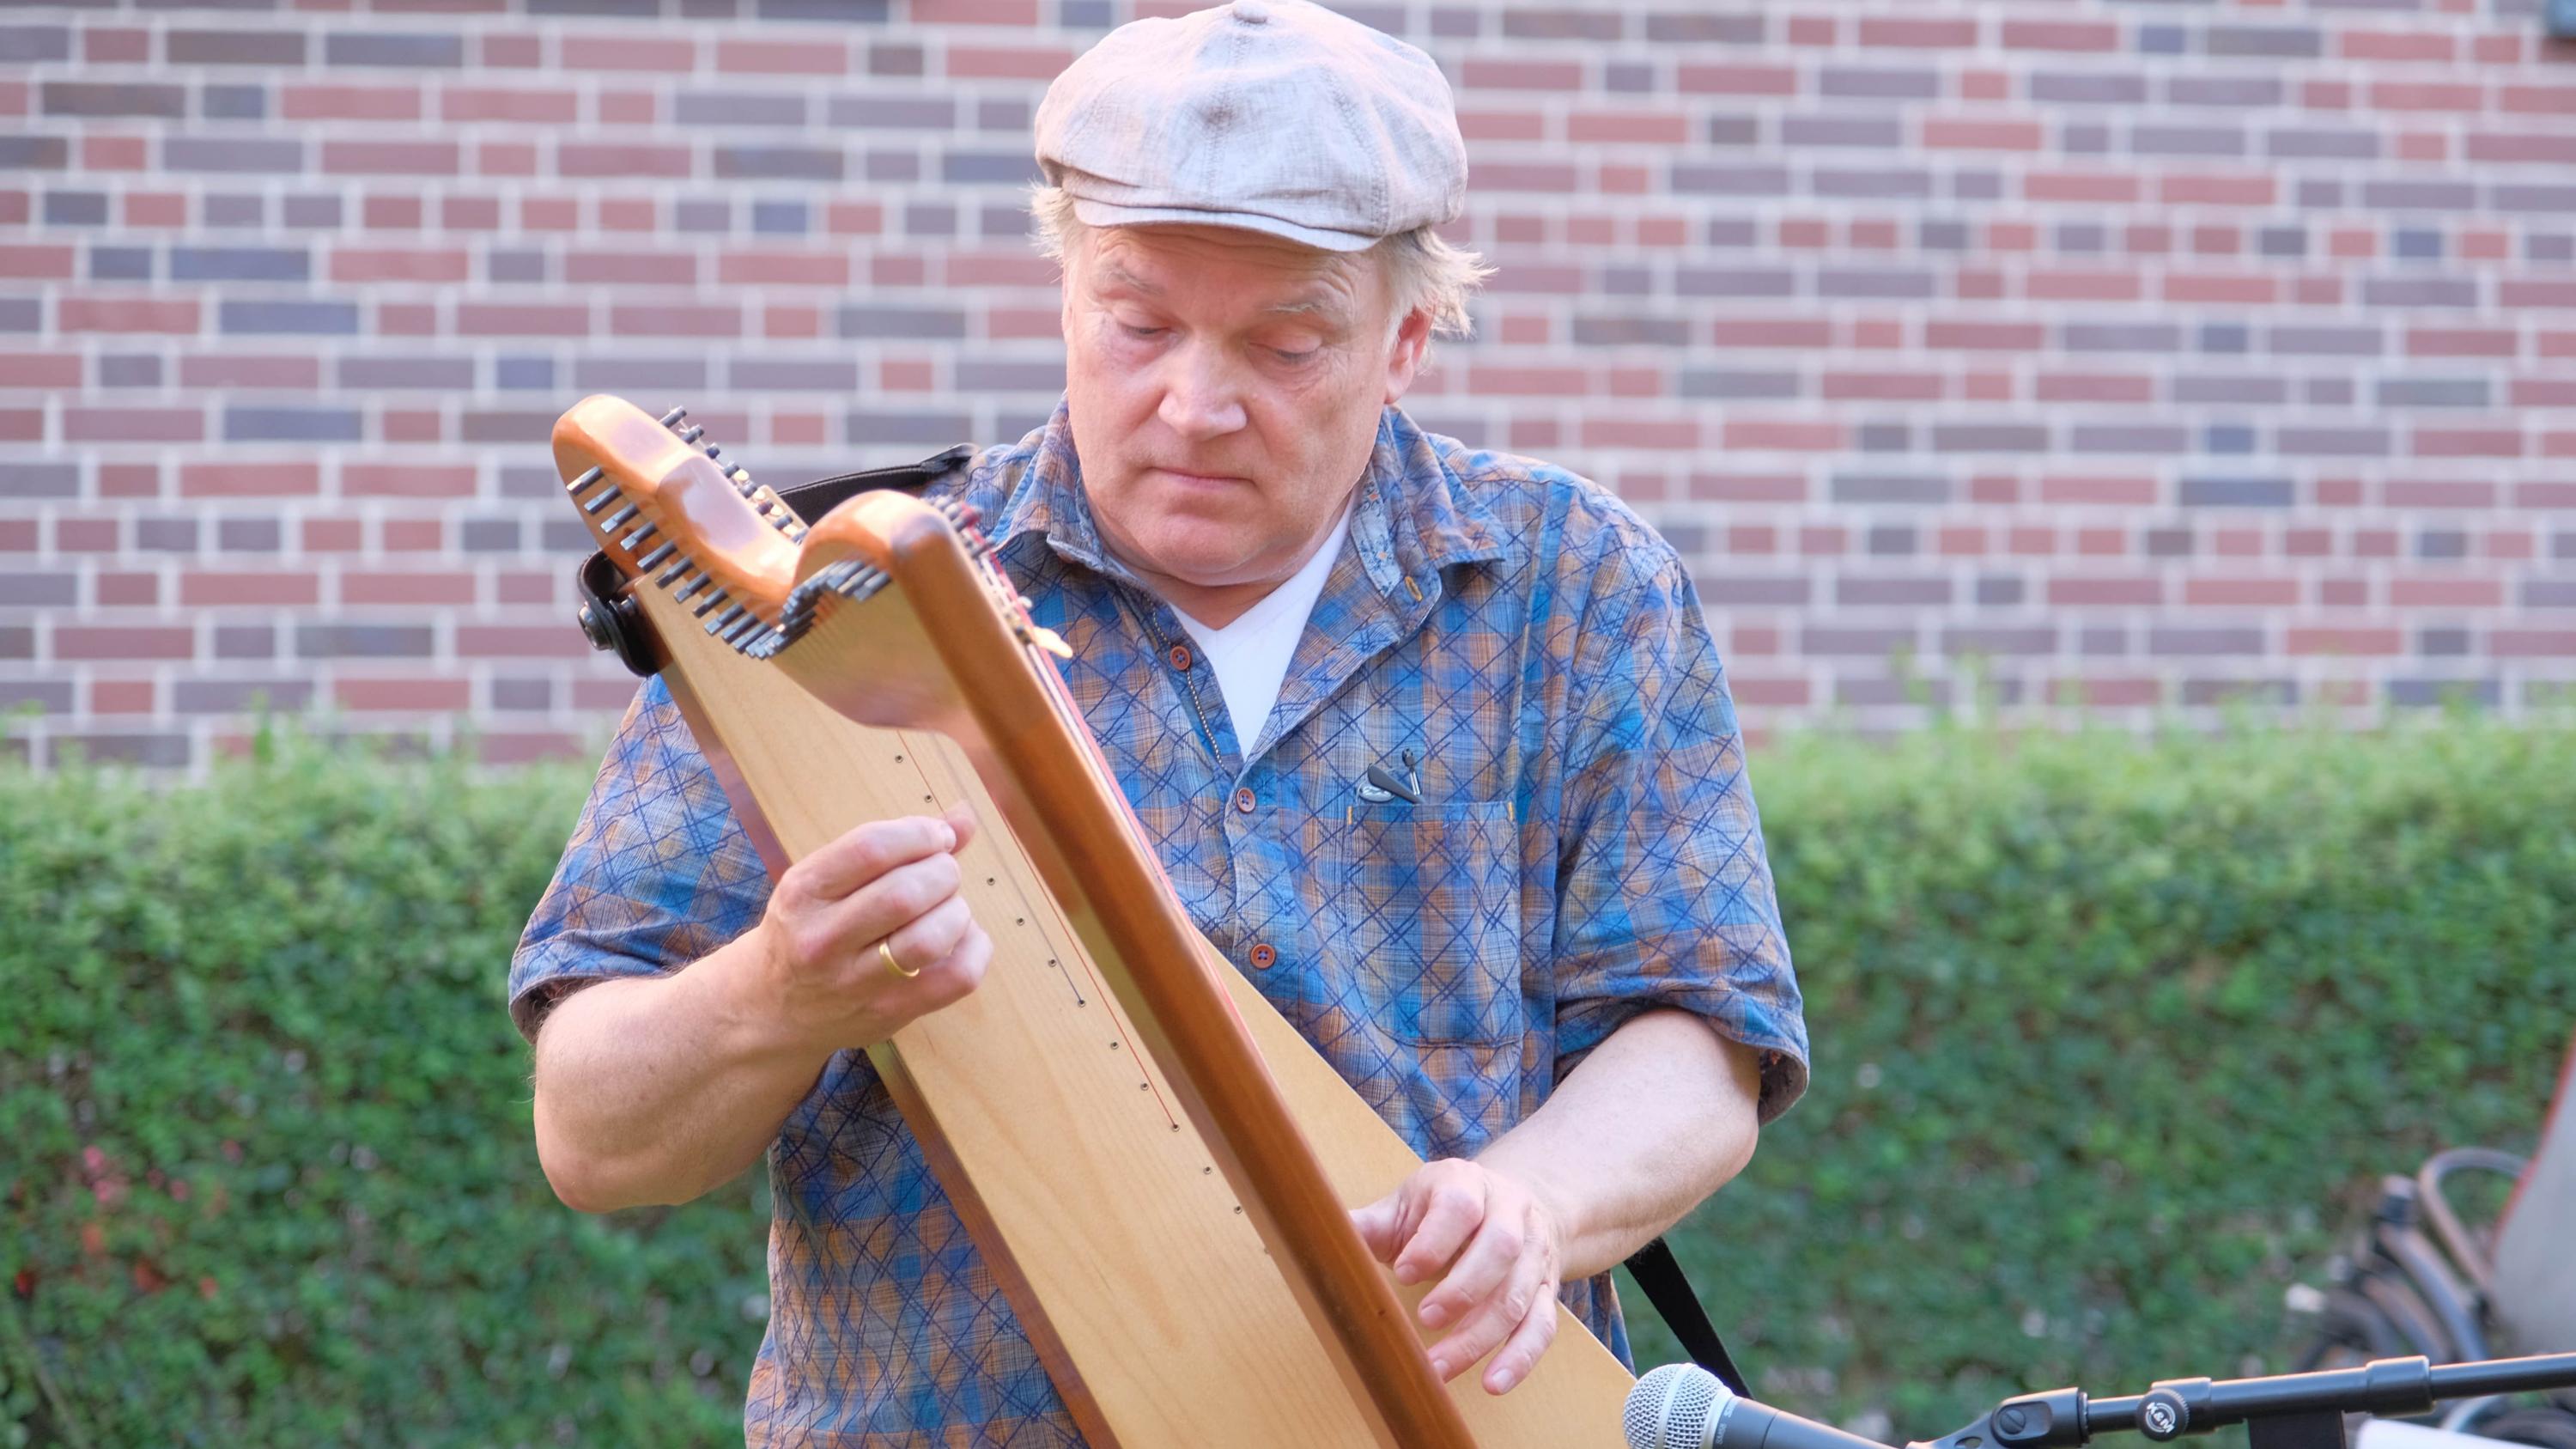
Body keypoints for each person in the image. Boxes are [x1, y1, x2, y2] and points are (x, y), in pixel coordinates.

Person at [508, 1, 1809, 1441]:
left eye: (1285, 344)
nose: (1195, 403)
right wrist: (774, 994)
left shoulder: (1574, 587)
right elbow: (591, 1134)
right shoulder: (836, 615)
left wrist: (1534, 1203)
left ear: (1408, 341)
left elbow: (1700, 1039)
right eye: (1139, 324)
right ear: (1066, 296)